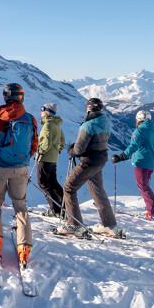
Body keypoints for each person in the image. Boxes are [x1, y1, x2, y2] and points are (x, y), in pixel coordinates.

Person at [0, 83, 38, 268]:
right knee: (20, 206)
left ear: (5, 97)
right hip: (20, 168)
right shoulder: (30, 118)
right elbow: (34, 144)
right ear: (21, 97)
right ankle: (24, 249)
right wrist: (22, 159)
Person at [59, 97, 118, 236]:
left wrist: (71, 150)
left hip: (88, 162)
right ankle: (109, 225)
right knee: (98, 192)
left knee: (69, 188)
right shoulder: (106, 122)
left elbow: (79, 149)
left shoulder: (88, 125)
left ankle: (74, 225)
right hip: (100, 160)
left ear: (88, 110)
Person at [112, 110, 154, 221]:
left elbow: (133, 147)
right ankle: (150, 211)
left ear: (138, 120)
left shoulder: (139, 131)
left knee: (144, 188)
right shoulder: (153, 130)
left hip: (141, 163)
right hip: (151, 164)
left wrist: (121, 157)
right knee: (146, 187)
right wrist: (153, 155)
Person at [36, 103, 65, 217]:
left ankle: (56, 210)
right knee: (53, 183)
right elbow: (62, 139)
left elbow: (46, 142)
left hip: (46, 157)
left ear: (47, 112)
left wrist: (41, 151)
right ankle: (65, 208)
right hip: (53, 158)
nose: (41, 111)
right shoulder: (56, 124)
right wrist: (58, 150)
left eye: (42, 109)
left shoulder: (48, 125)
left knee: (42, 183)